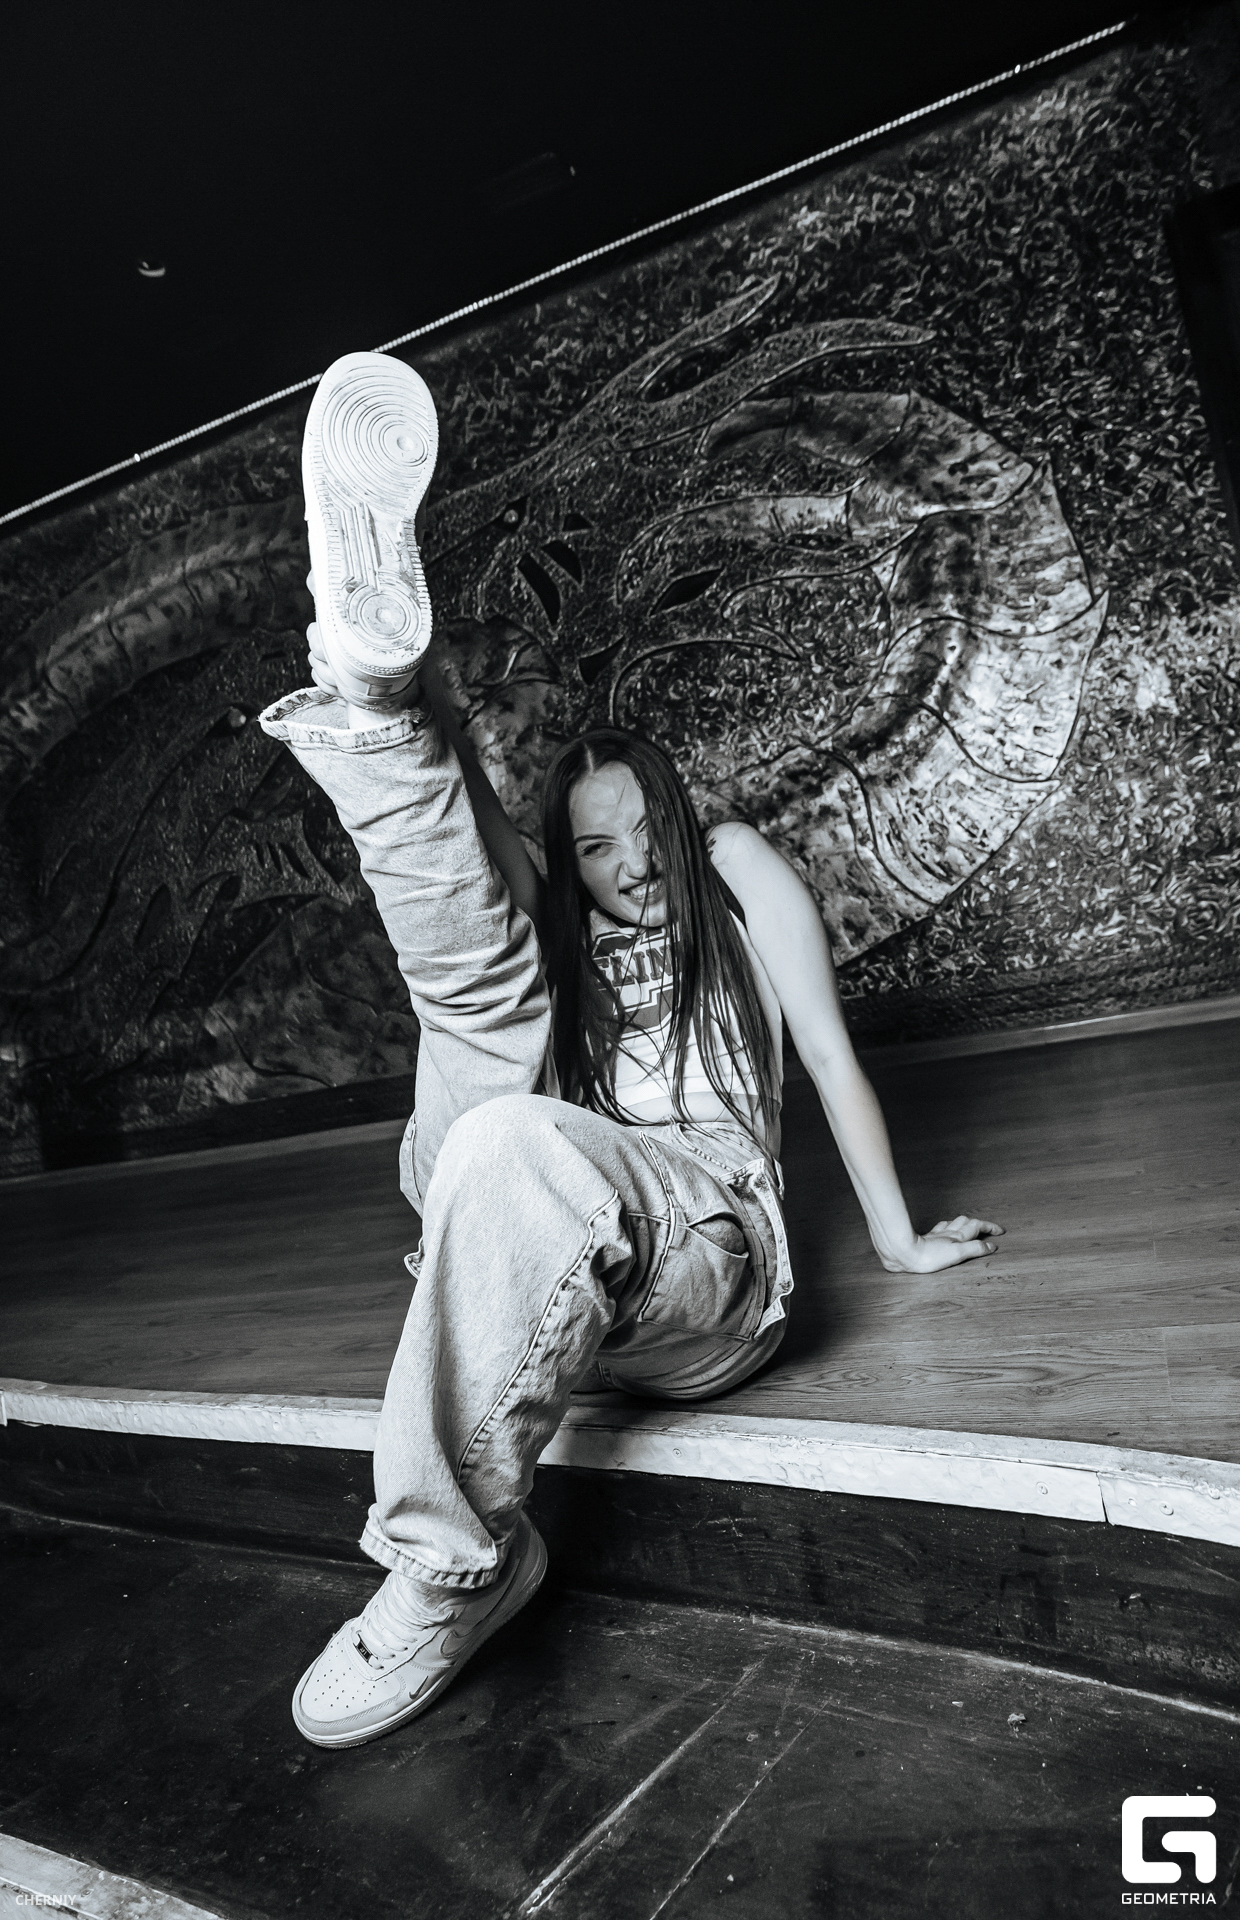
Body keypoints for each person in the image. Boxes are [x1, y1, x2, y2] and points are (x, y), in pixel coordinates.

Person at [260, 351, 1004, 1750]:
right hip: (563, 1266)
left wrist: (896, 1242)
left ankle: (449, 1567)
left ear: (675, 816)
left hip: (708, 1262)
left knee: (502, 1130)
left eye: (639, 832)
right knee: (475, 1011)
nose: (627, 866)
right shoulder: (558, 922)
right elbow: (482, 892)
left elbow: (829, 1056)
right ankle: (378, 712)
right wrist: (439, 721)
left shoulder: (734, 871)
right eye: (592, 850)